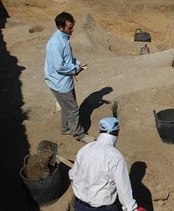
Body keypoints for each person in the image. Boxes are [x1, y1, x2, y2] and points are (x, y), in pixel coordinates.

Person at [69, 117, 147, 211]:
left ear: (100, 131)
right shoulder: (115, 157)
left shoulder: (85, 149)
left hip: (79, 205)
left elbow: (72, 175)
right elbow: (123, 191)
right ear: (117, 133)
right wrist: (132, 209)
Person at [44, 12, 95, 144]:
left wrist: (76, 63)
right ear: (61, 27)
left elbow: (66, 58)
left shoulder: (63, 38)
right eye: (69, 28)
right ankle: (79, 134)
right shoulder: (56, 43)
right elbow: (59, 66)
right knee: (72, 108)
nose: (72, 30)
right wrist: (76, 69)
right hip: (59, 83)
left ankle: (65, 128)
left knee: (66, 105)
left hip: (64, 81)